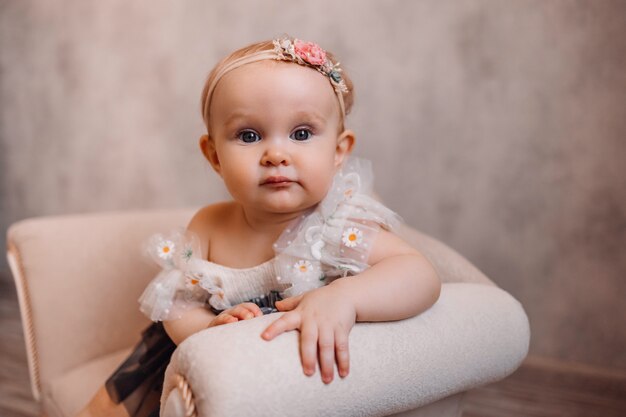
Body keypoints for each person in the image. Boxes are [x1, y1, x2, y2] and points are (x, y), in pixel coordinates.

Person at [78, 35, 441, 417]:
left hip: (298, 381)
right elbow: (175, 302)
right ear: (214, 155)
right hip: (214, 378)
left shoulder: (337, 229)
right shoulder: (209, 225)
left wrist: (346, 297)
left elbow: (420, 275)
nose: (276, 155)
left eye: (301, 134)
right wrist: (206, 329)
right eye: (249, 136)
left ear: (338, 152)